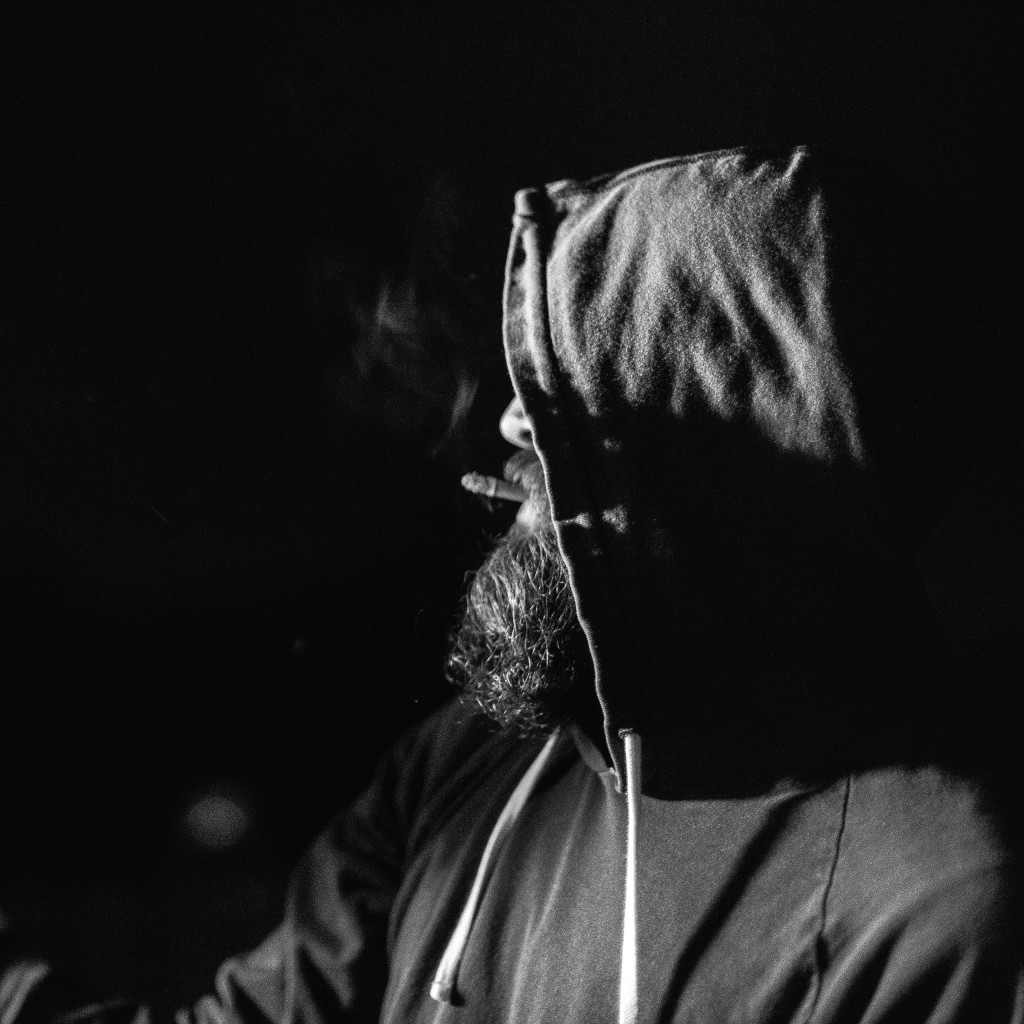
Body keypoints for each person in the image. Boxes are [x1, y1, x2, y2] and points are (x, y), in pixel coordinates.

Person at [3, 146, 1022, 1022]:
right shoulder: (465, 771)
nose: (510, 423)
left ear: (737, 453)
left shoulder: (934, 904)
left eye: (574, 389)